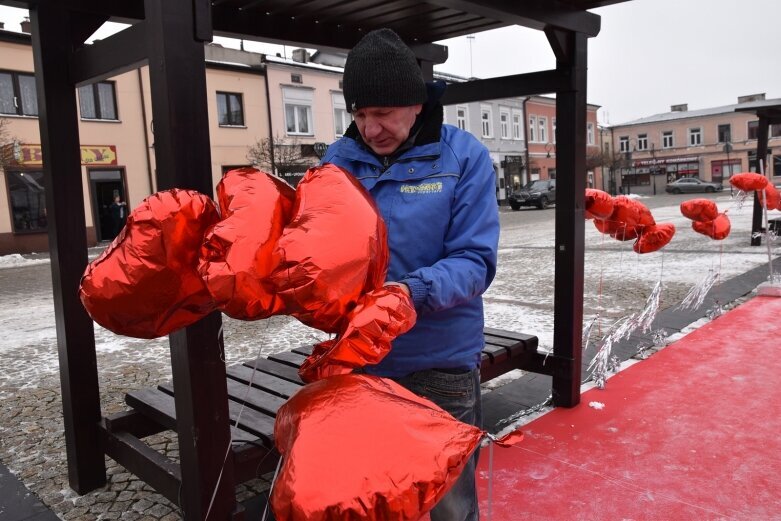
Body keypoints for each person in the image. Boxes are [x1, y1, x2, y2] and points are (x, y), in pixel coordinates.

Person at [322, 28, 499, 521]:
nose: (369, 128)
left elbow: (475, 261)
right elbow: (321, 249)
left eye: (381, 113)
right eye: (358, 114)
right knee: (371, 495)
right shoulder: (337, 161)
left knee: (449, 503)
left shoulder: (463, 157)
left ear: (415, 104)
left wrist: (408, 293)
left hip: (438, 363)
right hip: (359, 360)